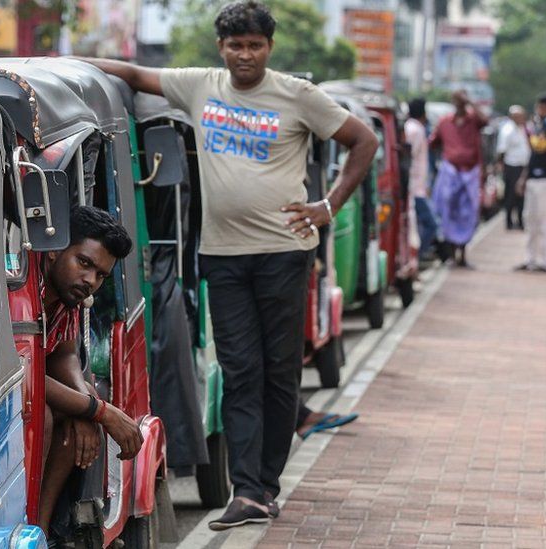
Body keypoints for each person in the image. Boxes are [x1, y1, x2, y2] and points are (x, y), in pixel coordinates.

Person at [78, 0, 378, 530]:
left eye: (255, 45)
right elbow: (131, 73)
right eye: (236, 45)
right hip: (223, 255)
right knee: (241, 372)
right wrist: (73, 64)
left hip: (286, 252)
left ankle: (265, 483)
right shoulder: (201, 85)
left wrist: (328, 205)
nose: (245, 55)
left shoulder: (297, 95)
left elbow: (363, 140)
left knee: (279, 371)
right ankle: (247, 491)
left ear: (269, 47)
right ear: (222, 47)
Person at [37, 205, 144, 534]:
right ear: (55, 250)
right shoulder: (24, 286)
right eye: (84, 263)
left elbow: (64, 357)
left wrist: (86, 409)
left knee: (73, 424)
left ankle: (39, 528)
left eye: (100, 275)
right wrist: (100, 411)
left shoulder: (67, 296)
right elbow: (23, 377)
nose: (90, 281)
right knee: (44, 416)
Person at [429, 90, 489, 268]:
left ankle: (462, 254)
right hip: (450, 173)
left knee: (468, 213)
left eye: (462, 101)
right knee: (449, 212)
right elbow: (431, 143)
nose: (459, 104)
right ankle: (452, 254)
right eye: (457, 100)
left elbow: (485, 120)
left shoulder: (474, 120)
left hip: (470, 173)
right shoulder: (444, 122)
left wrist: (471, 101)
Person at [515, 94, 546, 274]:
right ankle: (531, 259)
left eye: (543, 107)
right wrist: (524, 177)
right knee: (530, 219)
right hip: (533, 180)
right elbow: (532, 156)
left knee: (545, 221)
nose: (540, 111)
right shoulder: (536, 128)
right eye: (539, 107)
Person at [405, 98, 439, 259]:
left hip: (417, 186)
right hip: (414, 187)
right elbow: (409, 157)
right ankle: (416, 257)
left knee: (417, 226)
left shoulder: (413, 128)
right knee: (431, 224)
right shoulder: (416, 130)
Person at [496, 105, 531, 230]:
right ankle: (509, 222)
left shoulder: (523, 128)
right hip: (512, 166)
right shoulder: (507, 130)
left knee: (521, 195)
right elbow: (501, 150)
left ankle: (520, 221)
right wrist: (500, 165)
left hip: (522, 166)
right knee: (511, 195)